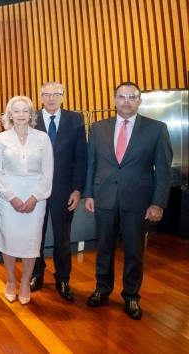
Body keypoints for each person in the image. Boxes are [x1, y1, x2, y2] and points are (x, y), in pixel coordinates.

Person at [84, 82, 172, 320]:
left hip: (139, 200)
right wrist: (89, 193)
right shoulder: (98, 128)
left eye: (131, 97)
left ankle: (131, 296)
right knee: (103, 248)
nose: (126, 101)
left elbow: (164, 170)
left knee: (134, 251)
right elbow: (91, 164)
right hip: (104, 198)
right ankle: (102, 289)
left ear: (139, 101)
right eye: (121, 97)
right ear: (114, 100)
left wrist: (158, 203)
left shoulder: (156, 129)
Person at [0, 96, 54, 305]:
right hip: (8, 196)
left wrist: (35, 197)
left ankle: (25, 282)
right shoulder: (0, 138)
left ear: (31, 114)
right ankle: (10, 280)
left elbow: (48, 171)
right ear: (10, 114)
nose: (20, 115)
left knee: (31, 241)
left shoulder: (42, 138)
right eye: (16, 111)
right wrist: (12, 197)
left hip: (36, 195)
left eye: (25, 111)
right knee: (9, 238)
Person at [30, 82, 87, 302]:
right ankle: (37, 274)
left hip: (64, 190)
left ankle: (63, 278)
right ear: (40, 96)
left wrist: (77, 189)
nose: (51, 98)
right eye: (46, 94)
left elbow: (81, 157)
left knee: (63, 237)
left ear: (63, 96)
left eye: (56, 94)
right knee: (37, 235)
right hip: (35, 189)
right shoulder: (32, 118)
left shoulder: (75, 119)